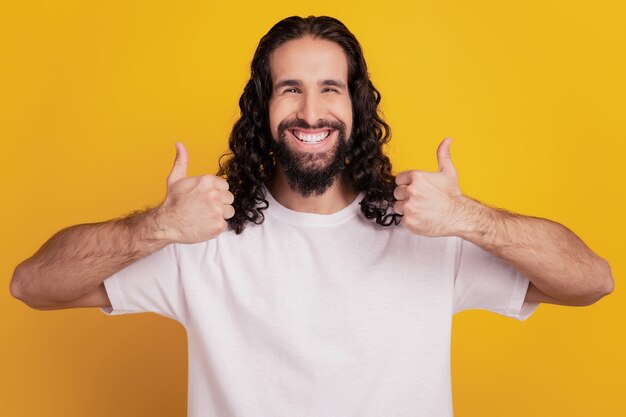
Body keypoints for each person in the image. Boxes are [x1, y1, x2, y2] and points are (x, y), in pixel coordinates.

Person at [10, 15, 613, 417]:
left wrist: (468, 219)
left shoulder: (428, 233)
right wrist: (159, 227)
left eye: (331, 88)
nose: (310, 110)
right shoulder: (203, 238)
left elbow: (592, 281)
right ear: (262, 107)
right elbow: (31, 285)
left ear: (356, 104)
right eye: (288, 88)